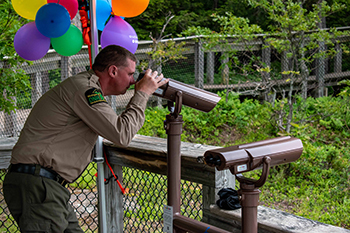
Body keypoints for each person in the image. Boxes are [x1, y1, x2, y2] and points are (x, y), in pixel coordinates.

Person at [3, 45, 168, 232]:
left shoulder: (84, 87)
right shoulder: (86, 90)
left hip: (46, 186)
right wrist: (143, 94)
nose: (132, 80)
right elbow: (122, 134)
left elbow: (116, 129)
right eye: (130, 74)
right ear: (113, 70)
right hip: (40, 185)